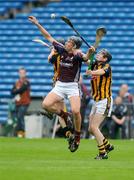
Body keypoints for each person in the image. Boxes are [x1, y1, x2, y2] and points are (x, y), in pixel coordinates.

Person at [28, 15, 90, 152]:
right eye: (67, 41)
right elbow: (48, 36)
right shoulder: (61, 49)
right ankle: (63, 114)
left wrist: (90, 52)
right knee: (46, 105)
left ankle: (78, 136)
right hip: (60, 85)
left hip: (72, 87)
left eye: (69, 42)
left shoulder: (78, 55)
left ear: (73, 46)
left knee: (75, 111)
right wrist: (37, 24)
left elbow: (86, 59)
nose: (66, 42)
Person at [86, 48, 114, 160]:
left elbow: (102, 72)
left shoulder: (107, 66)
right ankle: (107, 145)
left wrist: (91, 72)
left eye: (100, 54)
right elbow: (86, 59)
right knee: (90, 129)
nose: (97, 55)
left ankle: (103, 153)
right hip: (96, 101)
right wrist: (90, 52)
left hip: (104, 100)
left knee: (94, 127)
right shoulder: (94, 64)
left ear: (105, 58)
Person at [11, 67, 31, 137]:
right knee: (18, 117)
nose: (22, 74)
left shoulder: (27, 82)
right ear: (19, 73)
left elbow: (22, 89)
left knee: (20, 116)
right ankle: (19, 132)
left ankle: (23, 132)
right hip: (18, 103)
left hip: (25, 103)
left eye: (23, 73)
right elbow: (12, 92)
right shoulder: (17, 82)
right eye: (20, 73)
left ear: (25, 74)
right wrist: (17, 90)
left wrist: (17, 90)